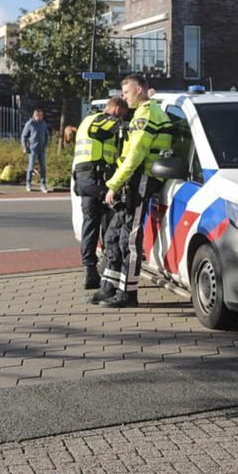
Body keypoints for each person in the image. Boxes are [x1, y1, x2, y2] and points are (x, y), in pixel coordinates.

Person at [85, 74, 172, 309]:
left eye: (126, 93)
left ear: (139, 90)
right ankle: (108, 288)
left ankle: (128, 294)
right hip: (133, 180)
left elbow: (136, 155)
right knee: (115, 235)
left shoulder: (147, 115)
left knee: (130, 239)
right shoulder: (144, 113)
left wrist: (114, 184)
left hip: (141, 178)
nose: (123, 98)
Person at [71, 96, 129, 290]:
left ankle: (90, 271)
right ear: (118, 110)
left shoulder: (86, 120)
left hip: (86, 179)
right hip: (94, 178)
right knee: (121, 208)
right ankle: (111, 266)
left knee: (92, 223)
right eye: (124, 113)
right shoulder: (99, 119)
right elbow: (116, 126)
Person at [21, 109, 49, 193]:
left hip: (42, 149)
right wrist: (25, 148)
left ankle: (43, 184)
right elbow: (24, 136)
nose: (42, 116)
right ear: (36, 116)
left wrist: (45, 144)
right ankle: (28, 183)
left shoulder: (43, 123)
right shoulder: (30, 124)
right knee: (31, 167)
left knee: (43, 167)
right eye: (41, 115)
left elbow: (46, 134)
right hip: (33, 149)